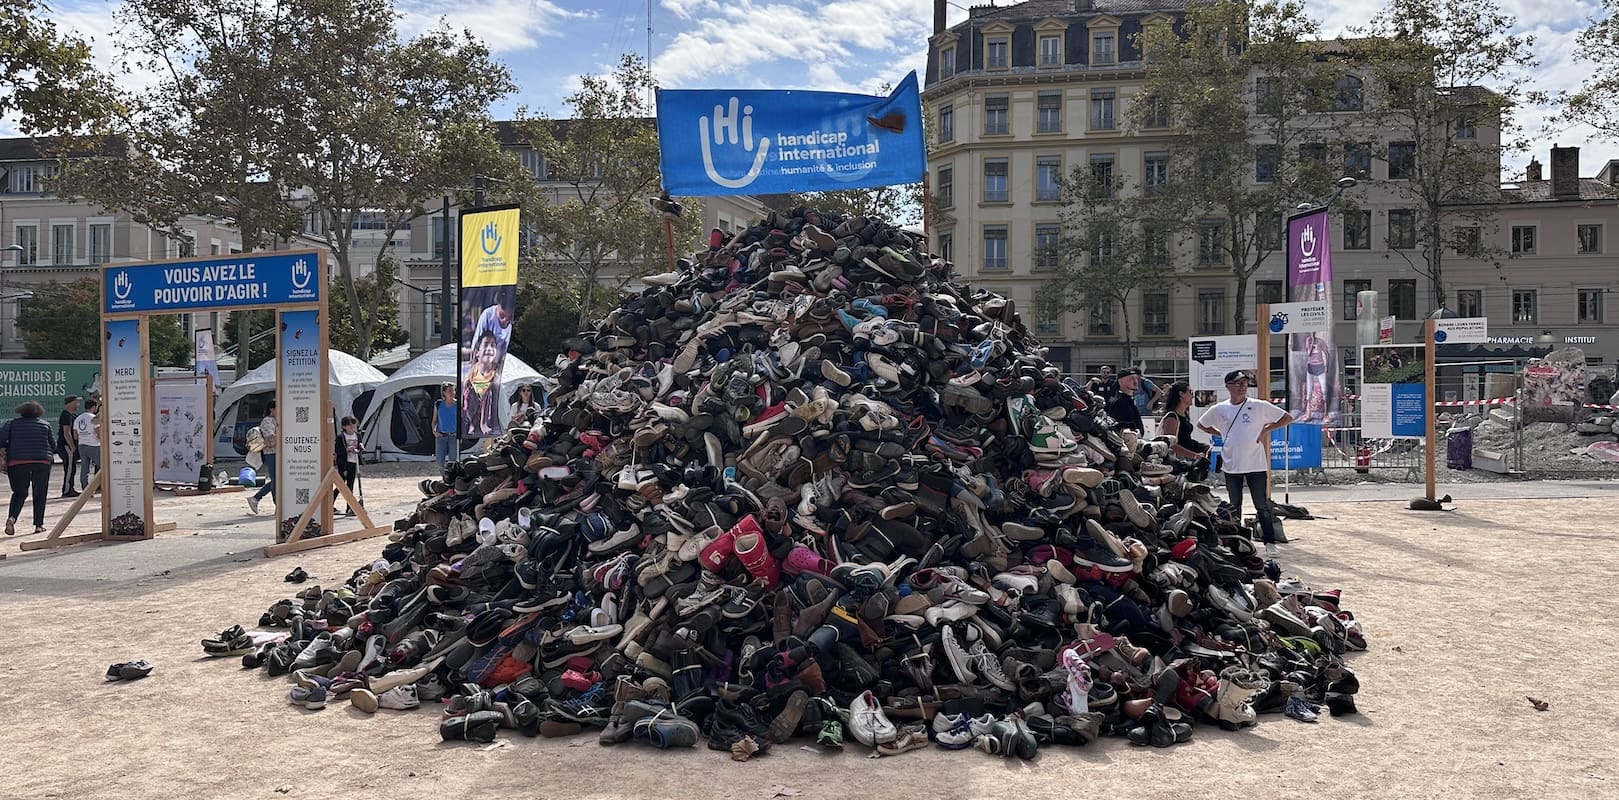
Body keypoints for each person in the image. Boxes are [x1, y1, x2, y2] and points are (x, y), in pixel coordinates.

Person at [1197, 371, 1293, 556]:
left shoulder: (1258, 406)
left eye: (1244, 382)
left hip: (1255, 464)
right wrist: (1221, 434)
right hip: (1232, 464)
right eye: (1237, 383)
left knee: (1261, 505)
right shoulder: (1220, 409)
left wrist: (1267, 429)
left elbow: (1286, 417)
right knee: (1235, 505)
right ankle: (1239, 541)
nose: (1242, 386)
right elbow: (1202, 424)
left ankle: (1269, 541)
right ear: (1228, 386)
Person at [2, 401, 56, 535]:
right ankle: (38, 525)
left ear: (21, 411)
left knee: (19, 492)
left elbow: (1, 439)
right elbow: (53, 445)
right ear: (39, 412)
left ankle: (12, 518)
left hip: (17, 462)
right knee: (40, 493)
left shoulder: (12, 424)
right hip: (41, 462)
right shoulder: (45, 425)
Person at [1159, 382, 1210, 480]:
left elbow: (1185, 439)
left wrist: (1201, 447)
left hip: (1188, 460)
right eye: (1190, 392)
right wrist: (1194, 455)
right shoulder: (1172, 417)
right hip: (1179, 463)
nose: (1193, 396)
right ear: (1181, 394)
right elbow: (1171, 444)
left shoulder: (1183, 416)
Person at [461, 332, 501, 437]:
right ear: (477, 352)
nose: (489, 348)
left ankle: (482, 423)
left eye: (493, 345)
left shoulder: (498, 376)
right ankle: (473, 423)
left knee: (487, 391)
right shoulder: (470, 374)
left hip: (491, 422)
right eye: (486, 344)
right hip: (470, 416)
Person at [247, 400, 277, 515]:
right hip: (271, 453)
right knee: (276, 481)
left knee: (277, 480)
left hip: (279, 453)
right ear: (271, 409)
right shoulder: (267, 421)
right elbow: (270, 439)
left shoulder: (277, 420)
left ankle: (256, 498)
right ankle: (277, 505)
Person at [333, 416, 361, 516]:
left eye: (353, 424)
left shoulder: (357, 435)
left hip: (353, 462)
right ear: (344, 427)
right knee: (341, 484)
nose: (352, 427)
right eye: (349, 425)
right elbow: (338, 450)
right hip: (344, 463)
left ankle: (349, 507)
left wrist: (360, 448)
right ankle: (330, 503)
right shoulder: (341, 437)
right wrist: (346, 449)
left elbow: (360, 445)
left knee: (350, 485)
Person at [1105, 368, 1146, 433]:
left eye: (1136, 378)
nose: (1136, 381)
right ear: (1121, 381)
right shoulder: (1119, 403)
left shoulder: (1128, 400)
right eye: (1131, 379)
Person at [73, 398, 101, 494]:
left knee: (84, 468)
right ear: (94, 407)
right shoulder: (93, 418)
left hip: (82, 445)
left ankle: (86, 490)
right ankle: (100, 486)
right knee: (102, 466)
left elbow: (75, 436)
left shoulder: (78, 418)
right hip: (94, 445)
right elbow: (98, 433)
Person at [57, 395, 80, 497]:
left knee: (72, 468)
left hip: (68, 446)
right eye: (76, 402)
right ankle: (67, 491)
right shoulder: (66, 415)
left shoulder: (72, 415)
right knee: (70, 468)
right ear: (70, 403)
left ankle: (70, 488)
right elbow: (66, 432)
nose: (77, 405)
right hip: (66, 446)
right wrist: (71, 445)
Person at [434, 383, 458, 473]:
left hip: (454, 436)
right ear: (444, 393)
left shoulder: (458, 404)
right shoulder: (438, 404)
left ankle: (452, 482)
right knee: (440, 462)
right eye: (450, 391)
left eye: (453, 390)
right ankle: (445, 479)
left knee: (453, 462)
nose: (452, 393)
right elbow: (434, 420)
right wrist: (434, 430)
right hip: (441, 436)